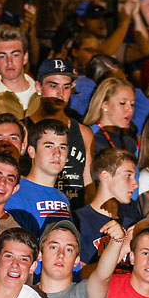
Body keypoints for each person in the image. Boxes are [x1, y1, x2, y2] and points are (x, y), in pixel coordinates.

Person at [25, 59, 94, 208]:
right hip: (34, 209)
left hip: (72, 215)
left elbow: (89, 184)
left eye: (66, 87)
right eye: (53, 85)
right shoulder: (22, 129)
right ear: (38, 86)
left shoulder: (84, 133)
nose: (60, 93)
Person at [73, 148, 141, 268]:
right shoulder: (77, 221)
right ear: (105, 176)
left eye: (135, 176)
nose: (135, 183)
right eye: (128, 175)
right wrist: (122, 248)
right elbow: (80, 277)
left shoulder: (131, 223)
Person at [4, 119, 72, 236]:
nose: (57, 154)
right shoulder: (15, 193)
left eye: (62, 147)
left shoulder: (62, 197)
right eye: (49, 146)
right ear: (32, 151)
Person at [0, 25, 36, 117]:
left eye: (15, 55)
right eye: (2, 56)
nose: (9, 62)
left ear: (25, 57)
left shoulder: (42, 92)